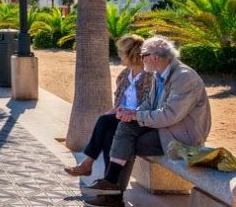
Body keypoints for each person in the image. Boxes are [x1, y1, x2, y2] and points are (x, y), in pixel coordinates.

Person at [83, 36, 211, 207]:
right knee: (123, 127)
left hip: (182, 137)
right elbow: (149, 104)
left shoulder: (184, 77)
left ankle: (112, 192)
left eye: (143, 55)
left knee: (127, 140)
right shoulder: (158, 74)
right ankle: (111, 185)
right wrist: (131, 113)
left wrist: (136, 116)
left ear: (155, 57)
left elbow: (170, 115)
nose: (141, 58)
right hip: (165, 129)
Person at [63, 35, 152, 177]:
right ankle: (109, 183)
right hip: (122, 117)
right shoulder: (125, 74)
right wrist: (114, 111)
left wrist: (128, 113)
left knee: (105, 122)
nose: (119, 55)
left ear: (132, 54)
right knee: (108, 131)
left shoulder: (149, 76)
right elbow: (119, 102)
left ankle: (87, 165)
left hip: (139, 120)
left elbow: (149, 103)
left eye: (122, 52)